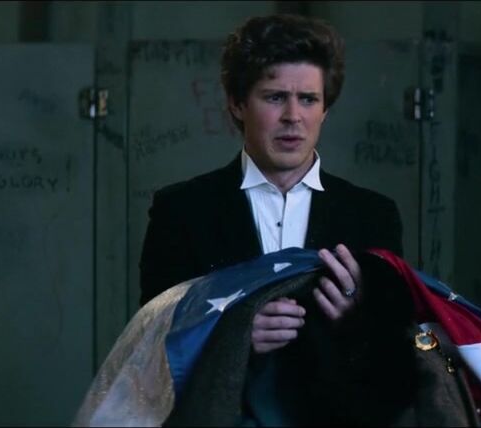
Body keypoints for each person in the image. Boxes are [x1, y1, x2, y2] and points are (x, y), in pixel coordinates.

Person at [138, 13, 403, 356]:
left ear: (325, 110)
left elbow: (398, 343)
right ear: (237, 104)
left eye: (308, 99)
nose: (293, 116)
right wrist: (233, 335)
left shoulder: (374, 215)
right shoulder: (181, 211)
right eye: (275, 97)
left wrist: (359, 320)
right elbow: (150, 339)